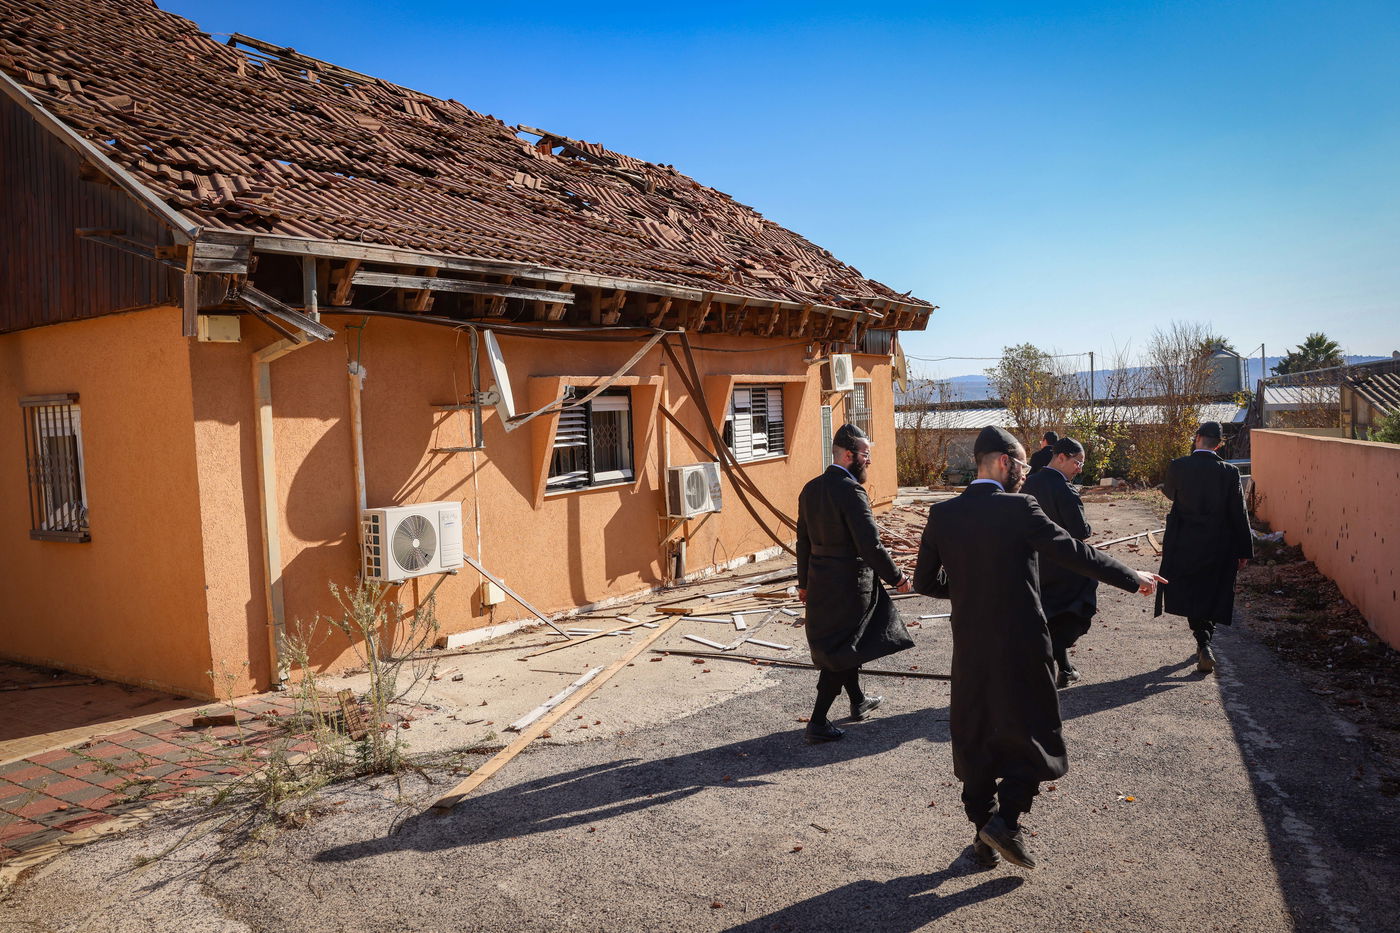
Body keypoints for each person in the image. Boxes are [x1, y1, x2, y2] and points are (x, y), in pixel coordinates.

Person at [913, 425, 1164, 870]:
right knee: (1036, 730)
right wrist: (1133, 577)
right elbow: (1075, 552)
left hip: (970, 646)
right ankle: (1005, 821)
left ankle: (984, 832)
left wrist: (972, 591)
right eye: (1023, 464)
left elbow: (925, 582)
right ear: (1004, 462)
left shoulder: (942, 514)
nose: (1027, 473)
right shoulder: (1019, 508)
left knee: (976, 734)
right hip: (1023, 643)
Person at [796, 423, 913, 745]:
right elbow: (870, 545)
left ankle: (858, 700)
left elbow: (803, 540)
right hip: (850, 583)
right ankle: (818, 722)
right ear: (849, 455)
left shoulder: (811, 488)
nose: (869, 460)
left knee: (848, 643)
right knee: (843, 647)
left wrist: (804, 582)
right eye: (866, 454)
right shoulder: (852, 491)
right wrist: (897, 577)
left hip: (820, 579)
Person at [1154, 421, 1253, 673]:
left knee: (1191, 591)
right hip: (1220, 544)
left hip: (1185, 542)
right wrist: (1244, 550)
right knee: (1214, 591)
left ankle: (1203, 641)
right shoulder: (1229, 472)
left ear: (1197, 437)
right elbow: (1239, 513)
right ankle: (1206, 640)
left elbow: (1170, 493)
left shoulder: (1178, 466)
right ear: (1219, 445)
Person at [1021, 437, 1095, 688]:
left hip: (1034, 562)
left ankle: (1064, 669)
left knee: (1047, 616)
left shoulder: (1028, 483)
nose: (1080, 469)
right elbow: (1080, 531)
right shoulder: (1064, 489)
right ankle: (1047, 667)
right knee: (1069, 615)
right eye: (1077, 462)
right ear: (1061, 457)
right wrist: (1088, 528)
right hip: (1064, 565)